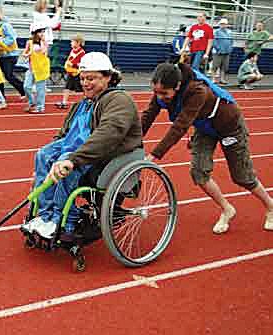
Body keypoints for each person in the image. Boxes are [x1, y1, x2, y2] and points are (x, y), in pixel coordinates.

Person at [22, 52, 142, 239]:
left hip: (107, 155)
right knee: (43, 155)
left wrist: (72, 160)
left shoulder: (119, 100)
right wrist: (45, 166)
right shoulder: (82, 104)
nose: (85, 83)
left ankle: (63, 219)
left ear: (108, 77)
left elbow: (108, 135)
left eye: (91, 78)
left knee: (65, 163)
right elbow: (65, 133)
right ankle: (45, 215)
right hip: (79, 149)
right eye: (83, 78)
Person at [141, 63, 273, 234]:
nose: (159, 97)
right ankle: (227, 209)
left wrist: (154, 155)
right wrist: (133, 140)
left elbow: (180, 126)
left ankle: (270, 206)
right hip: (205, 127)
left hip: (229, 126)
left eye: (164, 93)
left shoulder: (198, 91)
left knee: (242, 177)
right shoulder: (162, 89)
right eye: (156, 92)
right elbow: (148, 115)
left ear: (178, 86)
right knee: (199, 172)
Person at [0, 9, 26, 100]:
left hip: (10, 55)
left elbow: (12, 38)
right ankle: (0, 96)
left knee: (9, 76)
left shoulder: (5, 26)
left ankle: (24, 90)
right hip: (0, 55)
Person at [22, 23, 50, 114]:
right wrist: (28, 54)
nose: (42, 34)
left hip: (41, 69)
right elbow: (24, 54)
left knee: (40, 89)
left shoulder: (44, 42)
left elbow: (44, 51)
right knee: (26, 86)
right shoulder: (29, 42)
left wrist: (43, 41)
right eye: (40, 32)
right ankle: (31, 102)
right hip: (31, 68)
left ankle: (40, 107)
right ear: (35, 33)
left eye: (43, 32)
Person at [55, 33, 86, 109]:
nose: (70, 43)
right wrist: (67, 64)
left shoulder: (82, 52)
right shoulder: (73, 50)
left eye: (72, 41)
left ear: (78, 43)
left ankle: (86, 102)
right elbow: (69, 59)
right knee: (67, 87)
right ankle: (64, 102)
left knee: (81, 89)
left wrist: (70, 63)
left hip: (77, 73)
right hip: (71, 72)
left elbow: (75, 62)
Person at [32, 0, 62, 70]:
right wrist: (58, 12)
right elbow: (53, 24)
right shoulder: (42, 17)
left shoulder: (38, 16)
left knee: (39, 62)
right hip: (44, 42)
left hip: (41, 41)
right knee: (41, 63)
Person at [212, 18, 233, 84]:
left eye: (224, 24)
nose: (223, 25)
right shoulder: (216, 32)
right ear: (220, 24)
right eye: (222, 24)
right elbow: (214, 41)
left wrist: (230, 48)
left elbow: (231, 41)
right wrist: (218, 49)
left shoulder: (229, 32)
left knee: (224, 67)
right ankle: (213, 79)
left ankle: (222, 79)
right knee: (215, 65)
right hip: (218, 52)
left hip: (227, 52)